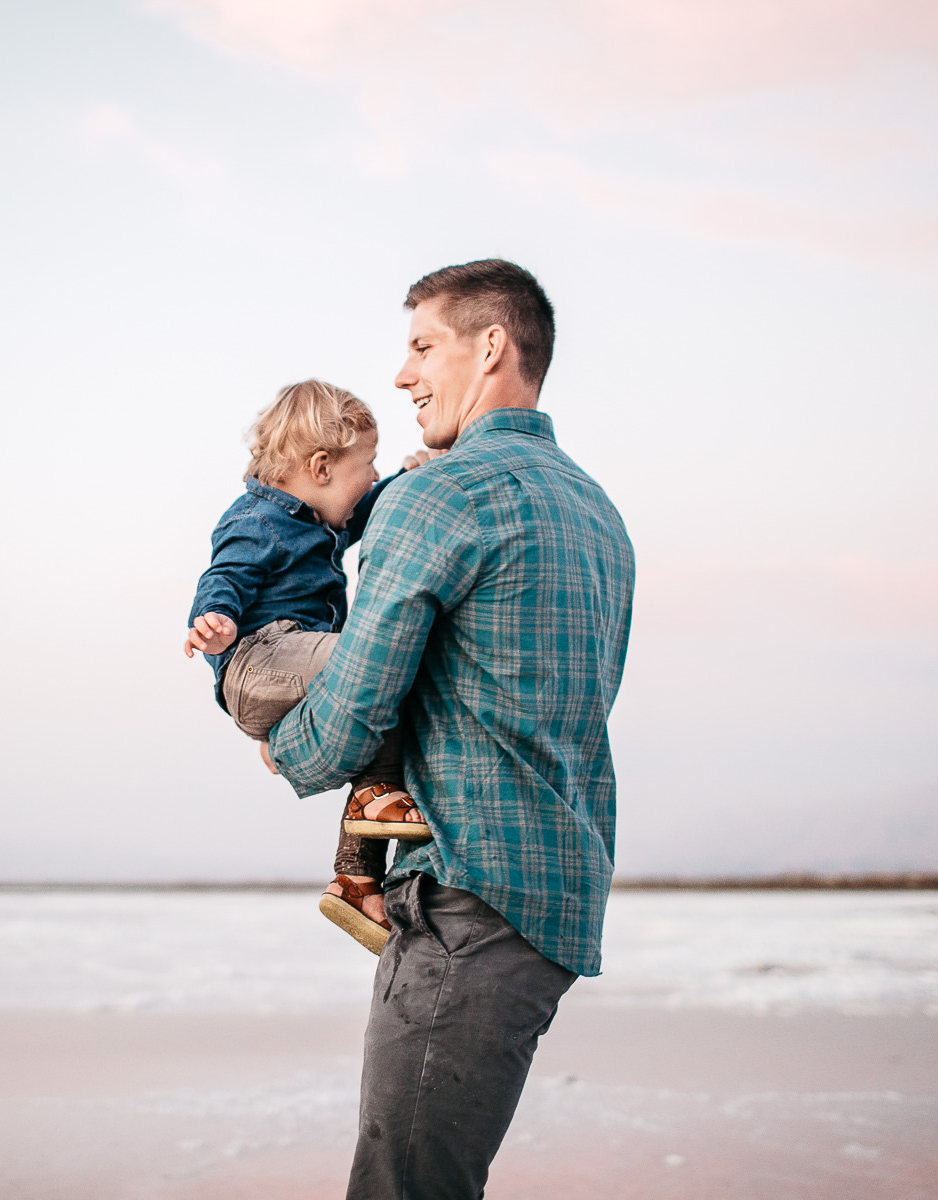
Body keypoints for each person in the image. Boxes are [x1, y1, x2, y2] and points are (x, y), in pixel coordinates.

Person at [266, 261, 635, 1199]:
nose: (403, 375)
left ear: (492, 347)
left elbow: (350, 712)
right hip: (549, 900)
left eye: (423, 345)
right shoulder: (598, 510)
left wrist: (283, 742)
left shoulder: (443, 495)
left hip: (468, 902)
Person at [184, 380, 430, 953]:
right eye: (366, 464)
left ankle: (356, 879)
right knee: (380, 653)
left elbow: (370, 507)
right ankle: (361, 793)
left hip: (296, 666)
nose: (372, 477)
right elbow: (224, 575)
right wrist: (214, 617)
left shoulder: (320, 517)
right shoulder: (259, 520)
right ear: (321, 466)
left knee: (387, 686)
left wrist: (410, 478)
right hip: (257, 661)